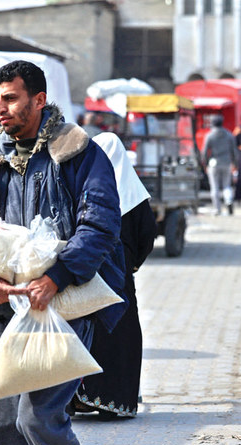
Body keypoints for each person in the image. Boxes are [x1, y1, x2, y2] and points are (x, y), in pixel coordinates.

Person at [0, 60, 127, 445]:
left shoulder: (78, 151)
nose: (0, 108)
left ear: (39, 99)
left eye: (10, 98)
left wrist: (56, 277)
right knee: (7, 427)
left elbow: (100, 226)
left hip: (63, 305)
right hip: (6, 310)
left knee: (39, 418)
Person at [71, 132, 156, 419]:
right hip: (121, 279)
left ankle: (84, 397)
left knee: (90, 333)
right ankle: (116, 402)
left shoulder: (87, 187)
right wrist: (132, 264)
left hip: (88, 276)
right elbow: (147, 236)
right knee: (122, 338)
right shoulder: (134, 193)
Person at [202, 114, 236, 215]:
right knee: (227, 185)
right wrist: (235, 163)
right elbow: (234, 150)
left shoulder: (210, 135)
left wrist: (205, 163)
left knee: (214, 187)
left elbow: (204, 151)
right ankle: (228, 201)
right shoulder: (229, 134)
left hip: (213, 163)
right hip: (226, 162)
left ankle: (217, 208)